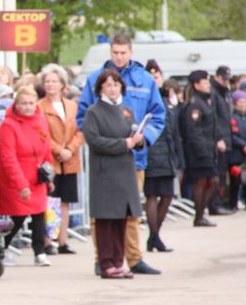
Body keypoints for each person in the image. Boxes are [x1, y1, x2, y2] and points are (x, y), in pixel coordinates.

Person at [77, 33, 165, 276]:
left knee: (130, 213)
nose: (119, 56)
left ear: (131, 52)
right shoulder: (96, 78)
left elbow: (157, 115)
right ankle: (102, 259)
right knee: (102, 214)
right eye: (115, 52)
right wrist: (110, 141)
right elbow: (83, 117)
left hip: (134, 159)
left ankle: (134, 258)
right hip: (105, 162)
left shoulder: (144, 79)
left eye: (123, 52)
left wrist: (143, 139)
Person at [82, 70, 144, 279]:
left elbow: (133, 134)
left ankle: (118, 262)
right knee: (105, 220)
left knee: (121, 219)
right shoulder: (94, 112)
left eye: (115, 85)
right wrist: (123, 144)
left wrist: (138, 139)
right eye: (108, 85)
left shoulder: (125, 111)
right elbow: (94, 140)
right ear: (101, 88)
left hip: (125, 171)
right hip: (105, 172)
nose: (112, 88)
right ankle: (106, 263)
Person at [0, 85, 53, 267]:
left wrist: (49, 175)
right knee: (17, 217)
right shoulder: (8, 125)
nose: (28, 107)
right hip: (15, 177)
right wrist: (21, 184)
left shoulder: (41, 121)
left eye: (31, 103)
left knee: (39, 214)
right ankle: (0, 249)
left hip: (36, 176)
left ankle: (40, 252)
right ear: (17, 104)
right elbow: (8, 157)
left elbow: (47, 149)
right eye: (23, 103)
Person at [38, 64, 84, 255]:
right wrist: (58, 150)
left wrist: (71, 149)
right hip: (51, 160)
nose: (50, 85)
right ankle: (48, 240)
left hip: (70, 160)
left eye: (54, 81)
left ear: (62, 84)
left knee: (65, 201)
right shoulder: (40, 107)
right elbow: (42, 133)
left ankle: (63, 240)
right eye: (47, 81)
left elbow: (80, 130)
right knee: (49, 201)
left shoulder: (73, 106)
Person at [143, 81, 184, 252]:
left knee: (167, 196)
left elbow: (175, 133)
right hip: (151, 154)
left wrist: (178, 159)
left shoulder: (167, 104)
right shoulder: (145, 103)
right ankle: (154, 236)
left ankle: (154, 236)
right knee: (152, 196)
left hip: (167, 156)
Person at [179, 70, 221, 227]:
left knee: (211, 181)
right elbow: (194, 131)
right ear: (196, 85)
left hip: (207, 149)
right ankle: (199, 216)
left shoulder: (204, 101)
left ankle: (200, 215)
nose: (208, 85)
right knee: (205, 181)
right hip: (199, 152)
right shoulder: (195, 104)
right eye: (205, 82)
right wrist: (203, 153)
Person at [210, 66, 234, 214]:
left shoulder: (223, 92)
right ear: (217, 77)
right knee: (217, 174)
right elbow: (214, 119)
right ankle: (215, 205)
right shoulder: (214, 93)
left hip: (226, 138)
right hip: (220, 140)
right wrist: (219, 138)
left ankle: (221, 202)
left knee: (223, 174)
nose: (226, 82)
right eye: (224, 79)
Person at [229, 90, 246, 211]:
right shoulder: (232, 117)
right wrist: (243, 144)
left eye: (245, 101)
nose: (243, 104)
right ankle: (233, 203)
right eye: (240, 101)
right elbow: (231, 135)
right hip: (236, 153)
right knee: (235, 180)